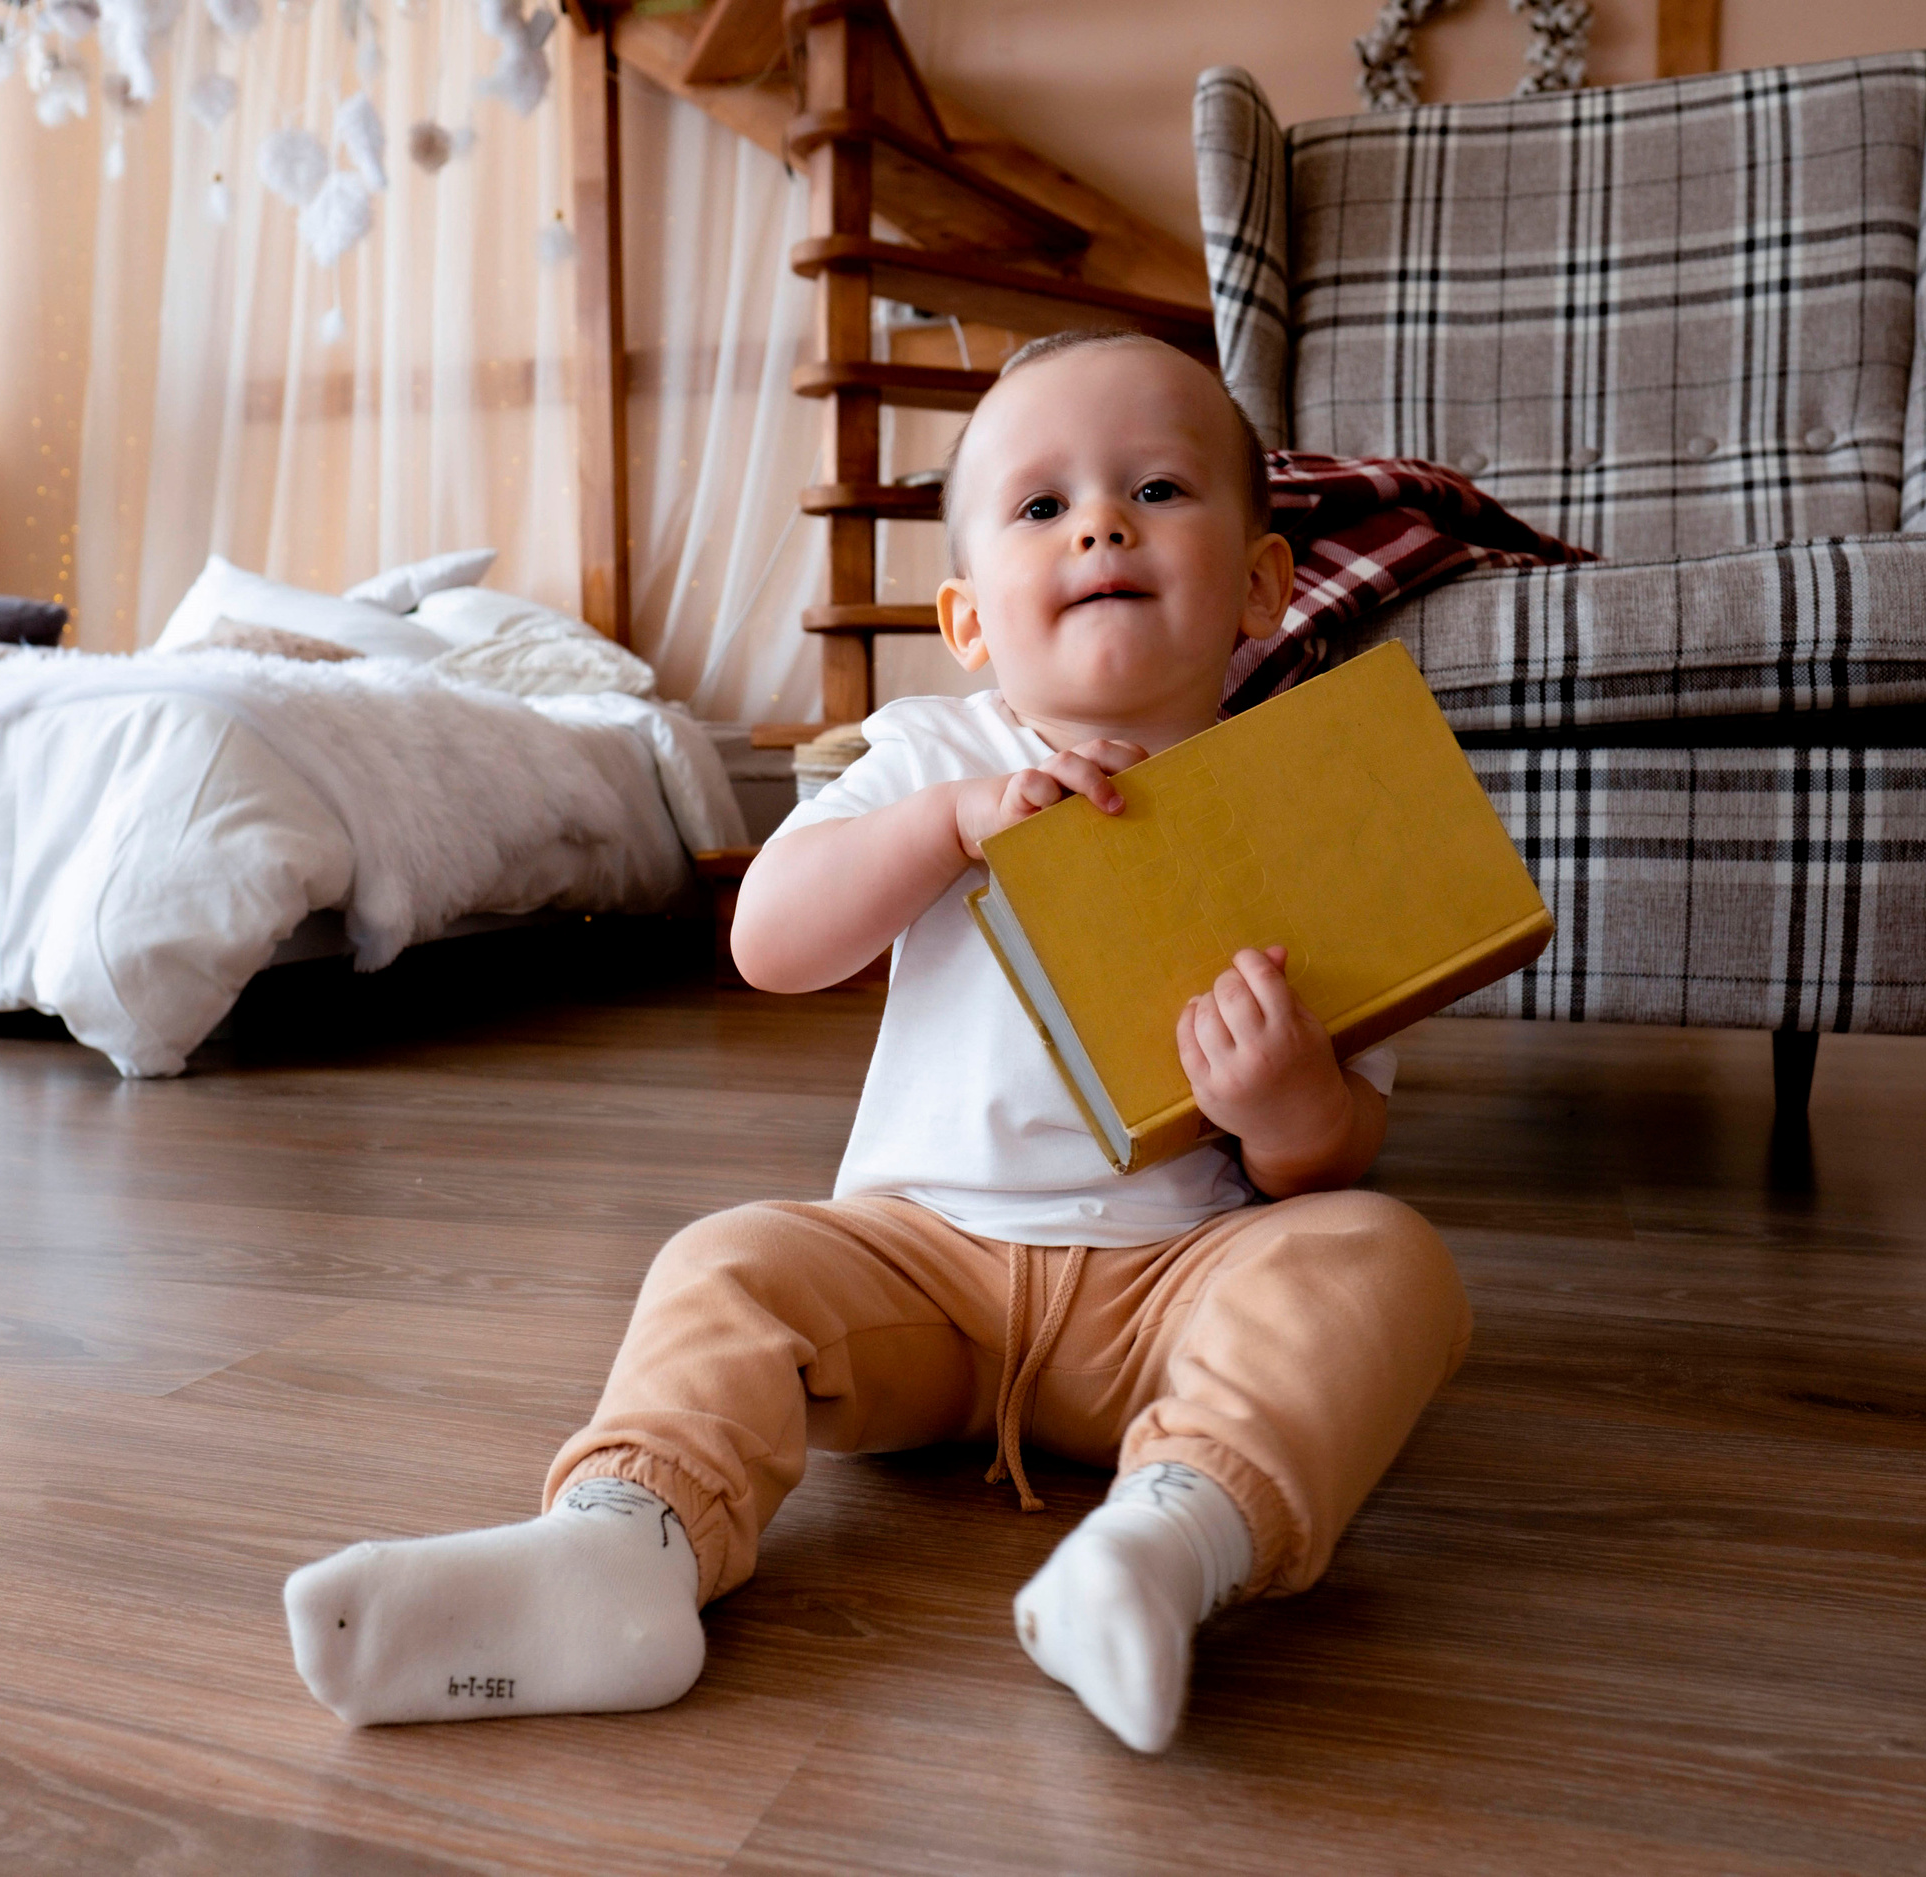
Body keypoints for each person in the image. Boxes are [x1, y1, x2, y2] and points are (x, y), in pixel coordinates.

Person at [284, 329, 1472, 1754]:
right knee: (725, 1260)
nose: (1101, 523)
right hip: (918, 1277)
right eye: (1043, 504)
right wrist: (946, 828)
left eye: (1157, 488)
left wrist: (1286, 1105)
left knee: (1380, 1258)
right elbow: (769, 943)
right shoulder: (929, 754)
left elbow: (1334, 1153)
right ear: (968, 621)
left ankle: (1172, 1538)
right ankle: (624, 1545)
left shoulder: (1308, 814)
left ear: (1266, 584)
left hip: (1176, 1290)